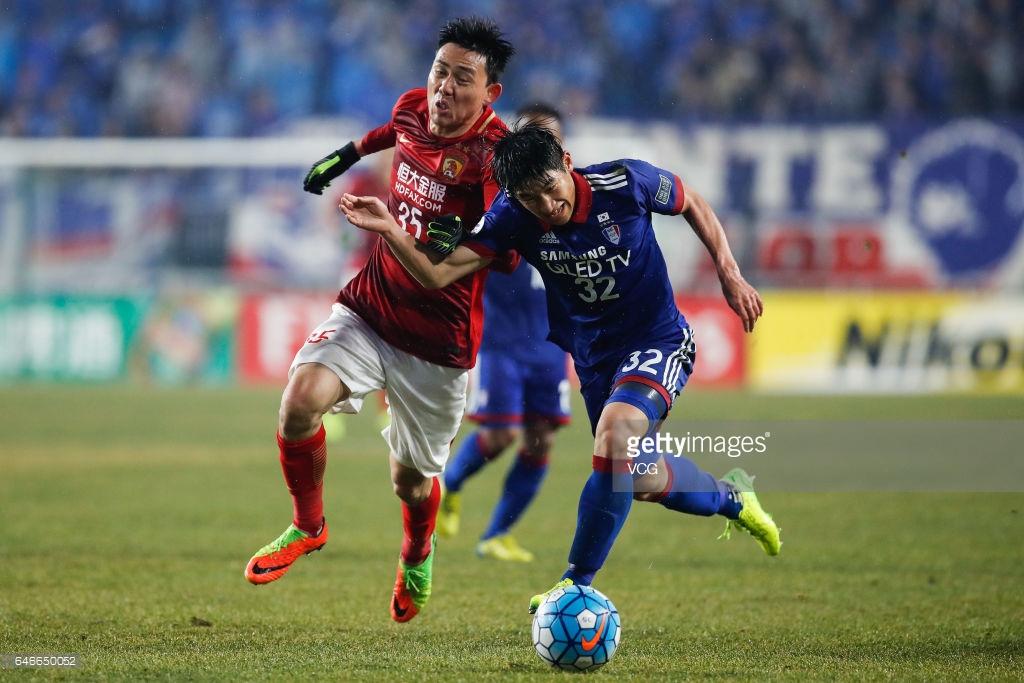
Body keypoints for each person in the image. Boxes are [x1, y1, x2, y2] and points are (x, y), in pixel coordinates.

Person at [338, 122, 781, 614]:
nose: (547, 206)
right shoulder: (511, 216)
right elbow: (438, 272)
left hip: (658, 339)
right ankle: (733, 498)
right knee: (640, 477)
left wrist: (729, 271)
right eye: (531, 198)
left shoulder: (624, 182)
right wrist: (389, 229)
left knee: (614, 437)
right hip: (593, 359)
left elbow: (692, 201)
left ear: (566, 163)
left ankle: (576, 584)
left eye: (551, 188)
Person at [243, 17, 517, 626]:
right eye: (439, 71)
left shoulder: (495, 157)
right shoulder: (414, 107)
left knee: (410, 485)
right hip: (372, 305)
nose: (444, 88)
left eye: (461, 78)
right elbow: (389, 131)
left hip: (438, 344)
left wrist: (424, 232)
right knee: (298, 402)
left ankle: (417, 552)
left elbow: (480, 259)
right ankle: (307, 526)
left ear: (489, 93)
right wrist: (342, 157)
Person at [438, 103, 570, 563]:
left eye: (550, 140)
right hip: (501, 340)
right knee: (499, 436)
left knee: (542, 438)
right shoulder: (498, 201)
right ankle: (448, 487)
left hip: (552, 344)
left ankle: (497, 534)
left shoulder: (572, 198)